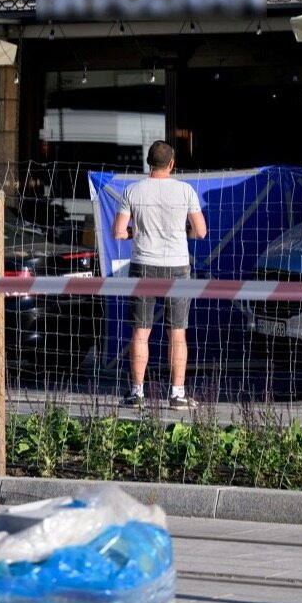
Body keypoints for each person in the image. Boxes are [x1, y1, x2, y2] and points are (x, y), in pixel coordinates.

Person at [113, 140, 208, 410]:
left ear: (148, 163)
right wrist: (182, 232)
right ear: (172, 163)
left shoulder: (132, 191)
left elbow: (119, 232)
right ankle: (177, 394)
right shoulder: (185, 190)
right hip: (177, 266)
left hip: (143, 264)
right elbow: (201, 232)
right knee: (177, 333)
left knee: (140, 332)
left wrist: (137, 233)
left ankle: (137, 393)